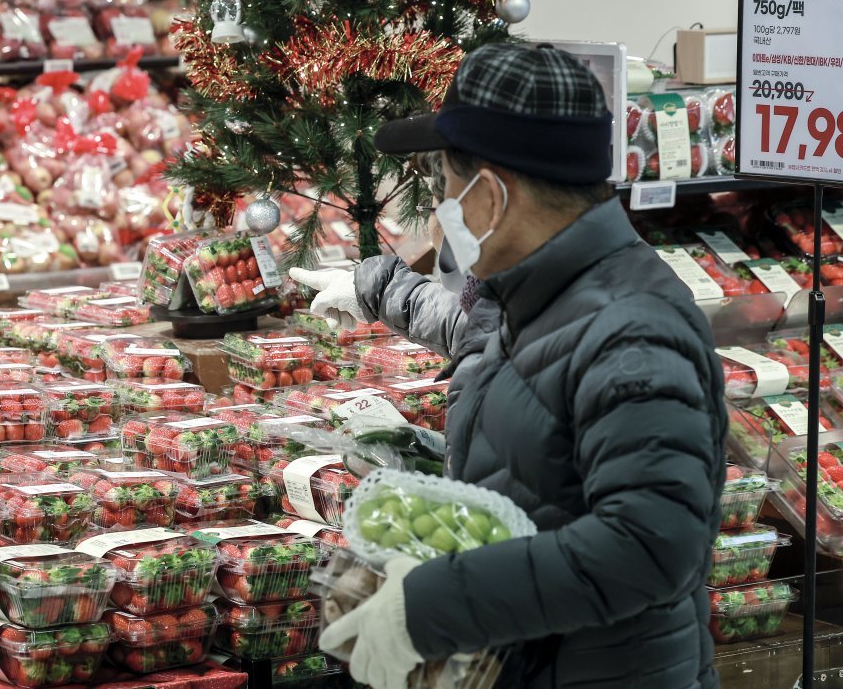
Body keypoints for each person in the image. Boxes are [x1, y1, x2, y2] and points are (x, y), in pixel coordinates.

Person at [292, 43, 728, 689]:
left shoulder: (632, 329)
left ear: (491, 194)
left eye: (444, 183)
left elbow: (649, 545)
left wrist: (430, 606)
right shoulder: (521, 297)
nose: (440, 208)